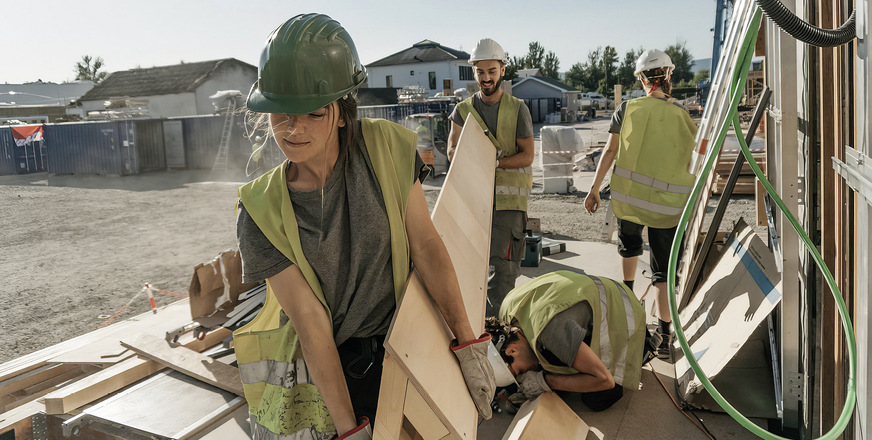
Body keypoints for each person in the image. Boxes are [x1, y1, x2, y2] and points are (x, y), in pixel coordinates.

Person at [233, 14, 495, 440]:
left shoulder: (387, 149)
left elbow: (426, 245)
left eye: (312, 113)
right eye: (280, 114)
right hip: (336, 375)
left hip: (413, 339)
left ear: (340, 111)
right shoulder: (260, 212)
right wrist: (348, 428)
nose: (293, 129)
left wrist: (468, 345)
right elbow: (309, 320)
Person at [583, 49, 698, 359]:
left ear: (641, 78)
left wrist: (594, 189)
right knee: (663, 272)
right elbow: (693, 161)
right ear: (668, 76)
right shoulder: (681, 115)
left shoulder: (627, 109)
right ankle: (664, 335)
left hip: (630, 203)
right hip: (667, 207)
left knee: (630, 249)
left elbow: (609, 152)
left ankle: (629, 311)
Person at [446, 38, 534, 316]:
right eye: (480, 72)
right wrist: (471, 160)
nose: (486, 78)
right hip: (472, 200)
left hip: (507, 207)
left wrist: (493, 163)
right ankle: (476, 326)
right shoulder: (462, 111)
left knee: (503, 273)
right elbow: (451, 150)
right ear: (474, 72)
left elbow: (527, 155)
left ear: (502, 71)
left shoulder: (517, 108)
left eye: (491, 72)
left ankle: (498, 333)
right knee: (468, 268)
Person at [486, 270, 659, 411]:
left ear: (511, 351)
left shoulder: (551, 332)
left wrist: (544, 381)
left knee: (597, 398)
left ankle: (643, 347)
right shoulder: (507, 313)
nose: (524, 375)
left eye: (518, 372)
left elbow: (605, 380)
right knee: (550, 363)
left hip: (624, 314)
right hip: (596, 291)